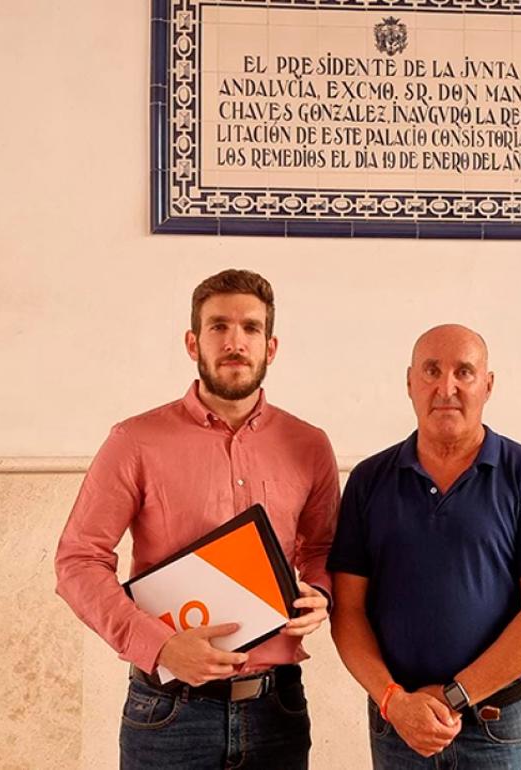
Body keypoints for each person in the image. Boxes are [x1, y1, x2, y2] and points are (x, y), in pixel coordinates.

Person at [55, 269, 338, 769]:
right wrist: (160, 647)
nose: (235, 341)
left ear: (270, 347)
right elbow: (78, 561)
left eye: (251, 328)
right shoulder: (134, 441)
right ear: (193, 342)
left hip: (277, 711)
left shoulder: (309, 445)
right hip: (168, 714)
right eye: (218, 327)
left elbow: (322, 551)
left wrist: (322, 593)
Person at [328, 324, 521, 769]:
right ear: (409, 383)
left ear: (488, 384)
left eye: (464, 371)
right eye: (431, 371)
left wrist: (453, 696)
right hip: (398, 726)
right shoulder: (368, 481)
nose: (447, 387)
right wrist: (393, 700)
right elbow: (347, 611)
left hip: (496, 727)